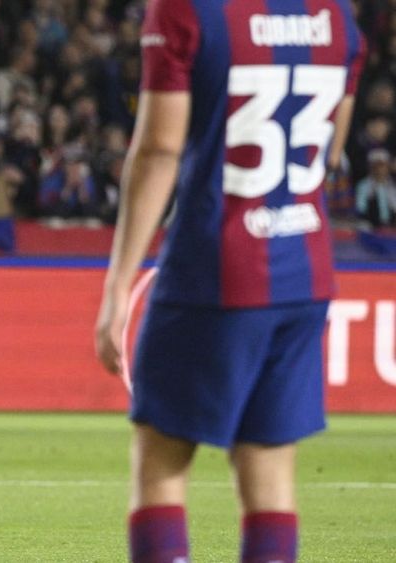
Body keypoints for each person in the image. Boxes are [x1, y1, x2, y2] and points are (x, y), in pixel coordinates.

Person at [93, 1, 364, 562]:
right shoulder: (338, 17)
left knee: (162, 466)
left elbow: (160, 148)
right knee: (269, 474)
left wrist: (119, 285)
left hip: (214, 269)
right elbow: (332, 149)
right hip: (304, 269)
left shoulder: (186, 11)